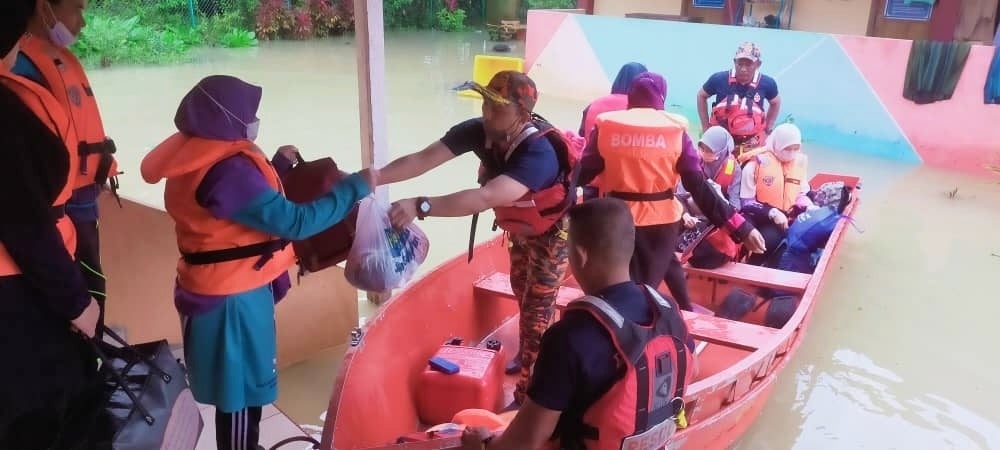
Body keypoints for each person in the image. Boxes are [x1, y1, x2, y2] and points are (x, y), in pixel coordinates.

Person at [140, 75, 377, 450]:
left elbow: (235, 207)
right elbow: (296, 222)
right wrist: (355, 187)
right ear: (225, 118)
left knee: (243, 388)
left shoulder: (198, 152)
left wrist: (278, 167)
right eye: (247, 115)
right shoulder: (227, 170)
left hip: (216, 286)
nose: (252, 122)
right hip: (231, 299)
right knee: (237, 398)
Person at [377, 71, 575, 406]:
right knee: (519, 289)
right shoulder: (480, 131)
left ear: (523, 114)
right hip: (519, 230)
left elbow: (487, 197)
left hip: (553, 234)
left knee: (536, 310)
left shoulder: (539, 153)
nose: (486, 112)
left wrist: (421, 205)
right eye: (485, 102)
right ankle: (529, 354)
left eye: (497, 108)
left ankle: (529, 395)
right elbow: (423, 159)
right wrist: (373, 176)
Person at [459, 198, 696, 450]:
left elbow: (524, 443)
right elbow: (693, 367)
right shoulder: (668, 309)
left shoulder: (568, 337)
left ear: (580, 255)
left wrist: (483, 444)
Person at [0, 0, 103, 448]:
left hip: (43, 262)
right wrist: (75, 302)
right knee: (43, 411)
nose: (80, 22)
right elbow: (24, 220)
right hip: (19, 290)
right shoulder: (9, 104)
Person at [578, 71, 765, 312]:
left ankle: (674, 311)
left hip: (615, 222)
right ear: (661, 98)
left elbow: (582, 174)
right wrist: (740, 226)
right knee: (645, 287)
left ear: (631, 98)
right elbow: (698, 187)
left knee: (621, 286)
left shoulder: (607, 128)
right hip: (660, 226)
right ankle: (650, 330)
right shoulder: (675, 133)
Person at [14, 0, 119, 337]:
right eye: (77, 9)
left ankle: (94, 357)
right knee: (82, 289)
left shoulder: (54, 56)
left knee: (92, 283)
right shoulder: (21, 65)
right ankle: (89, 363)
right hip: (61, 206)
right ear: (44, 9)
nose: (83, 22)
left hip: (83, 193)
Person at [738, 123, 814, 266]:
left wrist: (809, 206)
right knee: (757, 236)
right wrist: (771, 212)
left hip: (784, 219)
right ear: (777, 144)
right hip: (756, 215)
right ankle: (743, 264)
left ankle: (759, 268)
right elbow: (746, 203)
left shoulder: (798, 165)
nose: (791, 153)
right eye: (787, 148)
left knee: (774, 239)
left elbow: (800, 194)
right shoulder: (755, 165)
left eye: (795, 149)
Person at [578, 62, 647, 201]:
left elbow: (582, 135)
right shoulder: (641, 110)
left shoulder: (593, 105)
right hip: (624, 187)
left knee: (591, 222)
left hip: (591, 180)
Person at [696, 42, 781, 155]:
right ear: (734, 62)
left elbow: (775, 102)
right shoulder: (718, 79)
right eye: (740, 64)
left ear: (758, 64)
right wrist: (705, 126)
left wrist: (768, 128)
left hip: (751, 143)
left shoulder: (768, 83)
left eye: (749, 64)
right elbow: (701, 96)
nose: (743, 69)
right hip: (721, 140)